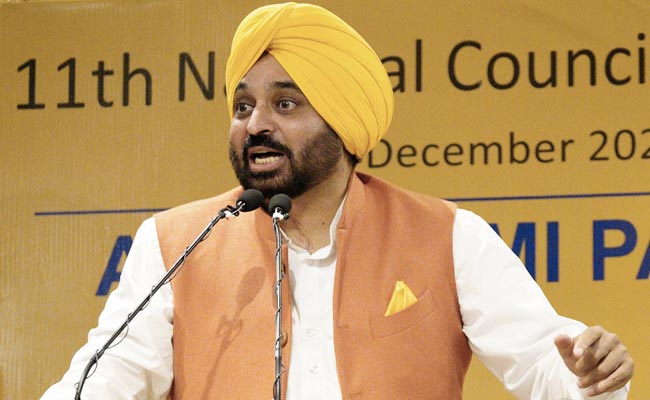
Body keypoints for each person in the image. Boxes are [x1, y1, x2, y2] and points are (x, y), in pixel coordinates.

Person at [41, 2, 634, 399]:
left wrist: (591, 375)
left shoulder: (448, 236)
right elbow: (105, 377)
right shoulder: (176, 243)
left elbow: (546, 363)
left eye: (286, 104)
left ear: (343, 123)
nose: (256, 124)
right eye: (243, 106)